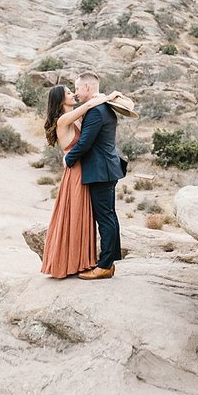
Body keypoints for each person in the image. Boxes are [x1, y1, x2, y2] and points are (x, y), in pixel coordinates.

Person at [40, 84, 113, 278]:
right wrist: (109, 95)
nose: (73, 95)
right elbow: (89, 106)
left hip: (84, 169)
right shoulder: (63, 119)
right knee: (75, 215)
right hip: (76, 173)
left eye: (73, 91)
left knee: (83, 215)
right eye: (68, 93)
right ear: (60, 100)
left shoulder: (75, 119)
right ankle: (70, 262)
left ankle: (81, 260)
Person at [64, 72, 126, 280]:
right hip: (107, 168)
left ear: (88, 88)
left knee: (105, 218)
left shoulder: (96, 111)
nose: (76, 93)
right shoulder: (104, 107)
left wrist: (68, 159)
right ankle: (109, 262)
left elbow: (85, 143)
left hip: (101, 171)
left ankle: (105, 266)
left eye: (78, 88)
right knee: (109, 216)